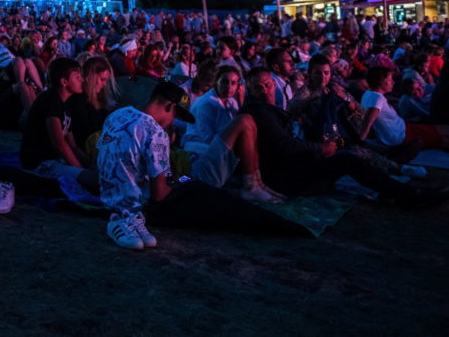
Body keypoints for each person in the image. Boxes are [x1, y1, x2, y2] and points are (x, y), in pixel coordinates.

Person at [97, 80, 310, 250]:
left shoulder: (118, 114)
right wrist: (180, 179)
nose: (173, 123)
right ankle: (289, 227)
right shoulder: (155, 132)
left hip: (112, 194)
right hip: (144, 204)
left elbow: (107, 152)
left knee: (192, 184)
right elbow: (160, 194)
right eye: (175, 116)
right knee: (206, 195)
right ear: (170, 106)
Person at [242, 67, 449, 207]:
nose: (264, 89)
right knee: (347, 159)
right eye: (258, 86)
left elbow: (354, 112)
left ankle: (393, 180)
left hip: (294, 163)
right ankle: (409, 195)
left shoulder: (270, 107)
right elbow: (284, 145)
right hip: (286, 175)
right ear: (250, 90)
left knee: (349, 152)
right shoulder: (261, 111)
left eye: (267, 84)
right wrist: (320, 148)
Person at [182, 66, 283, 203]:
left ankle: (256, 183)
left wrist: (241, 103)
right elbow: (205, 137)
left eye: (233, 83)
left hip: (220, 158)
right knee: (244, 120)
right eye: (225, 82)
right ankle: (250, 186)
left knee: (250, 124)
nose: (229, 87)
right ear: (216, 82)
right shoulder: (202, 102)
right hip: (202, 160)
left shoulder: (231, 102)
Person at [360, 66, 449, 152]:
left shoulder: (368, 94)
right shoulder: (377, 99)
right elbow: (368, 120)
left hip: (403, 129)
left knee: (444, 130)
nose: (393, 82)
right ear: (381, 81)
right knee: (444, 139)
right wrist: (360, 142)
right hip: (401, 136)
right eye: (390, 79)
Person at [19, 58, 99, 193]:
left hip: (57, 160)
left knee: (100, 173)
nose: (82, 80)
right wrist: (81, 170)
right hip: (41, 164)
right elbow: (59, 144)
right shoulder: (49, 99)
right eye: (77, 77)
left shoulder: (65, 104)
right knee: (96, 181)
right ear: (64, 82)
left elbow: (72, 145)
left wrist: (90, 164)